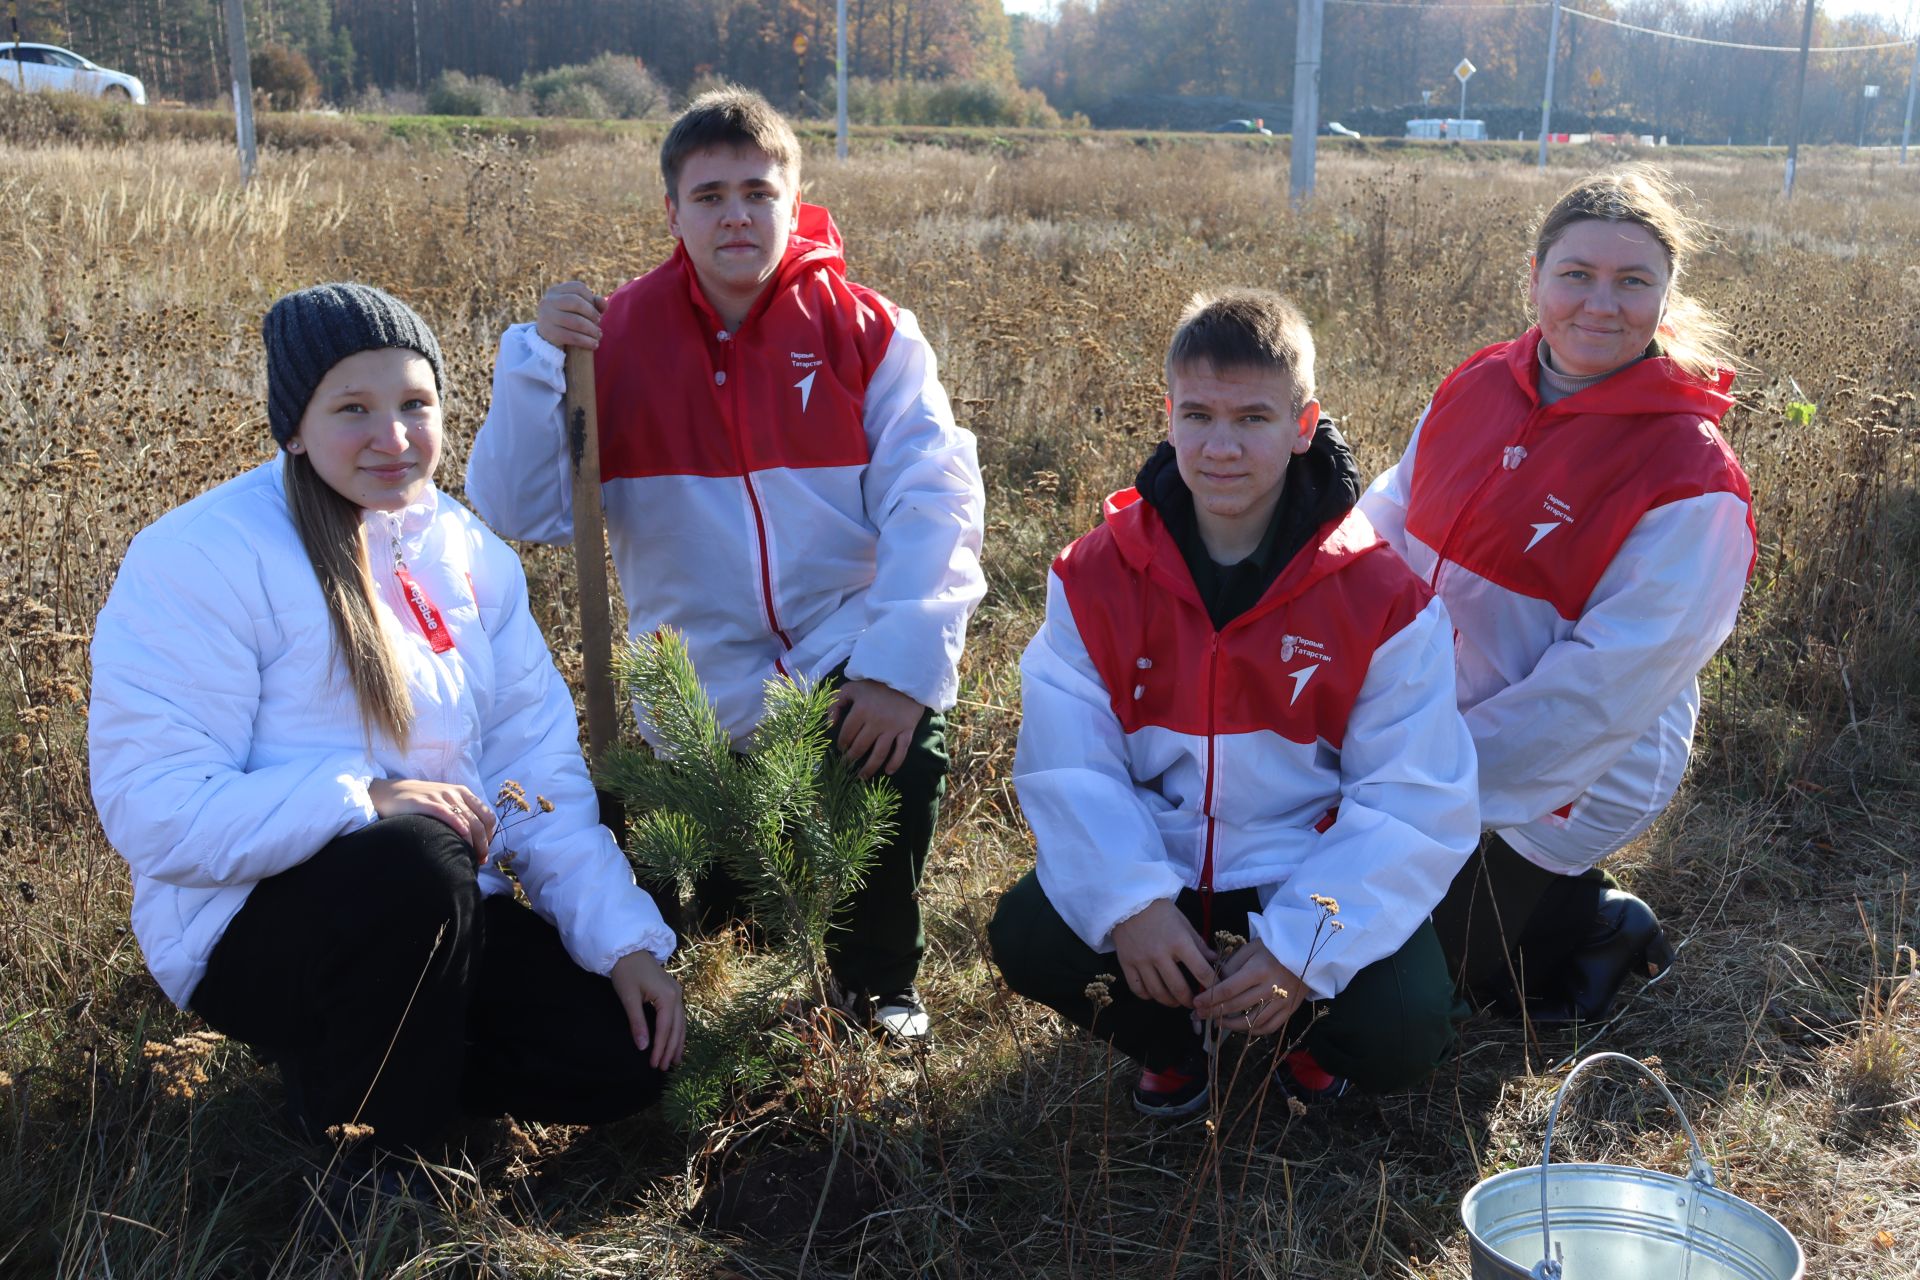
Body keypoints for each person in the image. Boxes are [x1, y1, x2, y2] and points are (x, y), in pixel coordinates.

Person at [88, 284, 685, 1193]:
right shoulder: (201, 556)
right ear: (294, 427)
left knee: (626, 1056)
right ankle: (373, 1151)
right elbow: (153, 810)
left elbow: (537, 768)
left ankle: (403, 1070)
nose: (394, 438)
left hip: (441, 911)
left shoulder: (470, 554)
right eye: (353, 410)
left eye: (416, 405)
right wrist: (361, 797)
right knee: (415, 856)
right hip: (250, 930)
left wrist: (623, 943)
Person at [467, 87, 985, 1043]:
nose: (736, 214)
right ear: (672, 212)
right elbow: (517, 509)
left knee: (897, 752)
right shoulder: (612, 339)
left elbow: (936, 500)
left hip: (838, 646)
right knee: (686, 907)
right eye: (709, 196)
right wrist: (539, 360)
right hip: (689, 684)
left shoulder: (867, 331)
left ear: (795, 200)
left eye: (757, 190)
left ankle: (878, 986)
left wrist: (899, 665)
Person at [989, 289, 1479, 1118]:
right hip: (1164, 858)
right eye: (1199, 415)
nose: (1222, 447)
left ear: (1302, 424)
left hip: (1301, 867)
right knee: (1030, 932)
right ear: (1167, 417)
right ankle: (1173, 1043)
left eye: (1253, 418)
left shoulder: (1383, 597)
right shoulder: (1095, 574)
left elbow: (1411, 802)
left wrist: (1297, 951)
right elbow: (1070, 764)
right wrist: (1133, 905)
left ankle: (1305, 1039)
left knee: (1405, 1022)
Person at [1358, 166, 1755, 1023]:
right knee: (1336, 908)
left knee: (1406, 994)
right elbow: (1383, 522)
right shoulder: (1478, 382)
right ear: (1535, 277)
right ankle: (1526, 905)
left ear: (1665, 296)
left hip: (1576, 762)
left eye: (1633, 282)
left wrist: (1422, 776)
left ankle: (1593, 924)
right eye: (1576, 275)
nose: (1600, 304)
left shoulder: (1692, 475)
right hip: (1442, 720)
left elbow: (1596, 694)